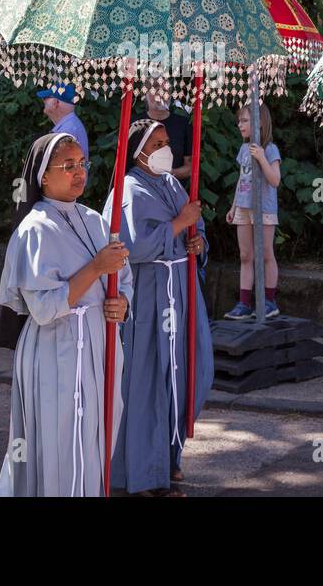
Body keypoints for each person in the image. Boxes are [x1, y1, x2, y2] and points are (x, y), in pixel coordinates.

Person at [0, 133, 132, 496]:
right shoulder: (34, 229)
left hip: (99, 342)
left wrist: (123, 304)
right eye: (68, 166)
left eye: (82, 164)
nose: (79, 173)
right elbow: (43, 308)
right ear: (43, 177)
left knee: (98, 436)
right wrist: (95, 267)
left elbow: (124, 276)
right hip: (56, 349)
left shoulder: (96, 220)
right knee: (59, 442)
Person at [103, 118, 213, 496]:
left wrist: (197, 245)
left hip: (181, 291)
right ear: (138, 150)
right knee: (149, 380)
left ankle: (169, 456)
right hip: (149, 296)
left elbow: (193, 231)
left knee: (187, 374)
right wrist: (180, 224)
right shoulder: (129, 189)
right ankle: (143, 472)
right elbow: (131, 247)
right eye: (158, 142)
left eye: (167, 141)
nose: (166, 148)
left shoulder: (170, 183)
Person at [223, 102, 282, 320]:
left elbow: (275, 180)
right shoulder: (243, 149)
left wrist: (261, 158)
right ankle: (244, 303)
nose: (240, 125)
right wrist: (233, 206)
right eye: (240, 121)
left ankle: (268, 301)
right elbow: (242, 179)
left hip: (263, 208)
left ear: (259, 122)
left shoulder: (270, 149)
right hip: (243, 207)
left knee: (266, 254)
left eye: (245, 120)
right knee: (245, 255)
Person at [132, 91, 192, 181]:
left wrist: (168, 174)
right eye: (154, 90)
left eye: (165, 90)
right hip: (139, 186)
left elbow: (190, 167)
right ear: (145, 95)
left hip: (171, 191)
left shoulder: (183, 124)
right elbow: (125, 162)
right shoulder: (135, 123)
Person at [38, 84, 89, 160]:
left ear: (56, 103)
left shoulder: (67, 131)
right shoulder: (70, 126)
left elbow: (62, 168)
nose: (44, 100)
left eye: (46, 97)